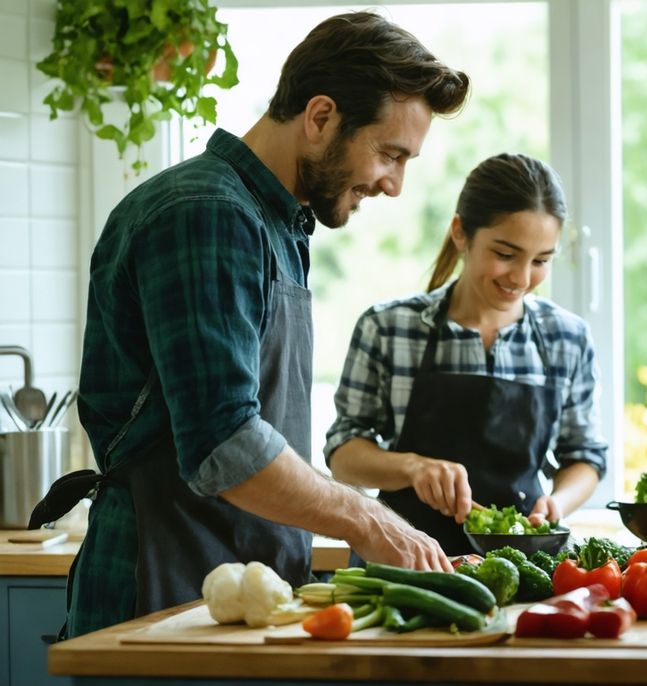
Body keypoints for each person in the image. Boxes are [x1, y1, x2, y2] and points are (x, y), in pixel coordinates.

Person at [47, 12, 470, 637]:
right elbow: (227, 443)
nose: (394, 185)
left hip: (240, 588)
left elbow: (261, 435)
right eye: (389, 153)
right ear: (320, 117)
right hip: (165, 587)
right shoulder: (207, 214)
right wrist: (370, 519)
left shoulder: (277, 222)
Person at [325, 153, 607, 556]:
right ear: (461, 233)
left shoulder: (567, 338)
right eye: (506, 254)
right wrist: (412, 467)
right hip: (401, 562)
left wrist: (556, 504)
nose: (522, 279)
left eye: (541, 260)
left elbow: (585, 456)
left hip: (522, 564)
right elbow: (343, 454)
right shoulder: (388, 327)